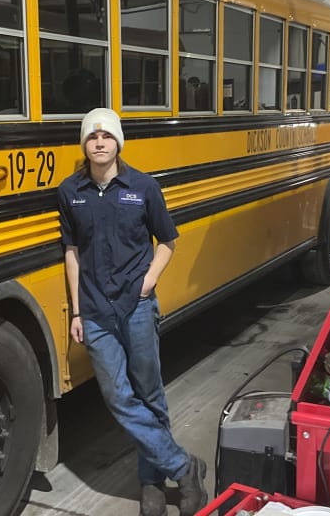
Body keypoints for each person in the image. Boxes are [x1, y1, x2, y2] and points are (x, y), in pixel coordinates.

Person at [57, 108, 207, 516]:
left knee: (149, 394)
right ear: (84, 144)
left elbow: (167, 241)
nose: (100, 142)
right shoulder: (71, 191)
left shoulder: (143, 187)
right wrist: (76, 312)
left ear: (118, 142)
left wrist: (148, 281)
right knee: (119, 397)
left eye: (107, 136)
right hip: (95, 311)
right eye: (92, 137)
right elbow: (71, 252)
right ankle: (182, 465)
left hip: (137, 305)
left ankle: (151, 482)